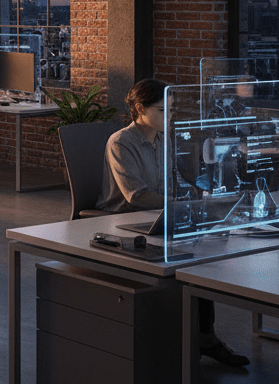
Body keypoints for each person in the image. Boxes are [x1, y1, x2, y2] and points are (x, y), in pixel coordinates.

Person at [97, 78, 250, 368]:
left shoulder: (163, 139)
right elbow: (136, 196)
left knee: (202, 256)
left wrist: (198, 197)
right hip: (121, 222)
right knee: (190, 258)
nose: (169, 116)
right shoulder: (120, 142)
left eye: (171, 110)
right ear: (140, 109)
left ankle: (204, 337)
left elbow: (174, 183)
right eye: (162, 110)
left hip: (156, 217)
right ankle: (195, 341)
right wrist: (179, 203)